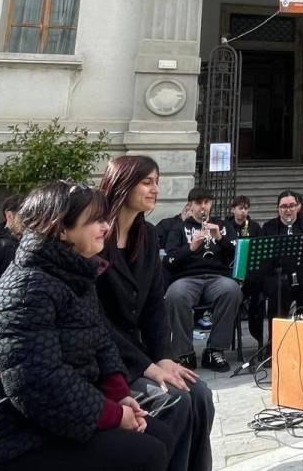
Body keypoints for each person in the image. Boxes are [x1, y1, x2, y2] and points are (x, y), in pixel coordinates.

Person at [0, 181, 173, 471]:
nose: (106, 227)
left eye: (105, 219)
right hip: (0, 439)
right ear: (61, 229)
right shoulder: (26, 291)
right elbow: (39, 384)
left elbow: (100, 341)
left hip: (47, 419)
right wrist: (114, 415)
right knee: (146, 453)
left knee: (162, 434)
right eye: (95, 220)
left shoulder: (74, 272)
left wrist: (120, 396)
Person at [97, 156, 215, 471]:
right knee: (176, 401)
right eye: (147, 182)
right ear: (122, 184)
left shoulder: (147, 234)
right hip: (107, 361)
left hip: (142, 353)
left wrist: (164, 358)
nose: (156, 189)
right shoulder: (95, 237)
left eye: (157, 182)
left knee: (200, 394)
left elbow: (154, 307)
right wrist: (147, 366)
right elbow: (94, 322)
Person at [162, 188, 242, 373]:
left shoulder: (222, 225)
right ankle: (185, 353)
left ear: (211, 204)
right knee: (175, 295)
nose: (203, 207)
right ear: (190, 205)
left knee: (232, 290)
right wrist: (190, 248)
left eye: (206, 202)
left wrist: (219, 238)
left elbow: (238, 255)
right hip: (187, 278)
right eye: (198, 203)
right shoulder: (179, 227)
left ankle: (214, 350)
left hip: (217, 278)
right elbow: (169, 260)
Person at [258, 191, 303, 323]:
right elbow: (263, 254)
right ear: (278, 208)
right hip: (278, 272)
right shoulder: (269, 226)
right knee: (277, 288)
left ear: (297, 207)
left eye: (292, 206)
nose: (288, 210)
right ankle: (278, 331)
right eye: (284, 206)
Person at [222, 196, 265, 347]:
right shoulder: (225, 227)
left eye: (246, 208)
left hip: (250, 273)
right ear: (232, 209)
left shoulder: (254, 227)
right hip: (230, 272)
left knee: (259, 294)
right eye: (240, 208)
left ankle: (257, 332)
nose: (243, 212)